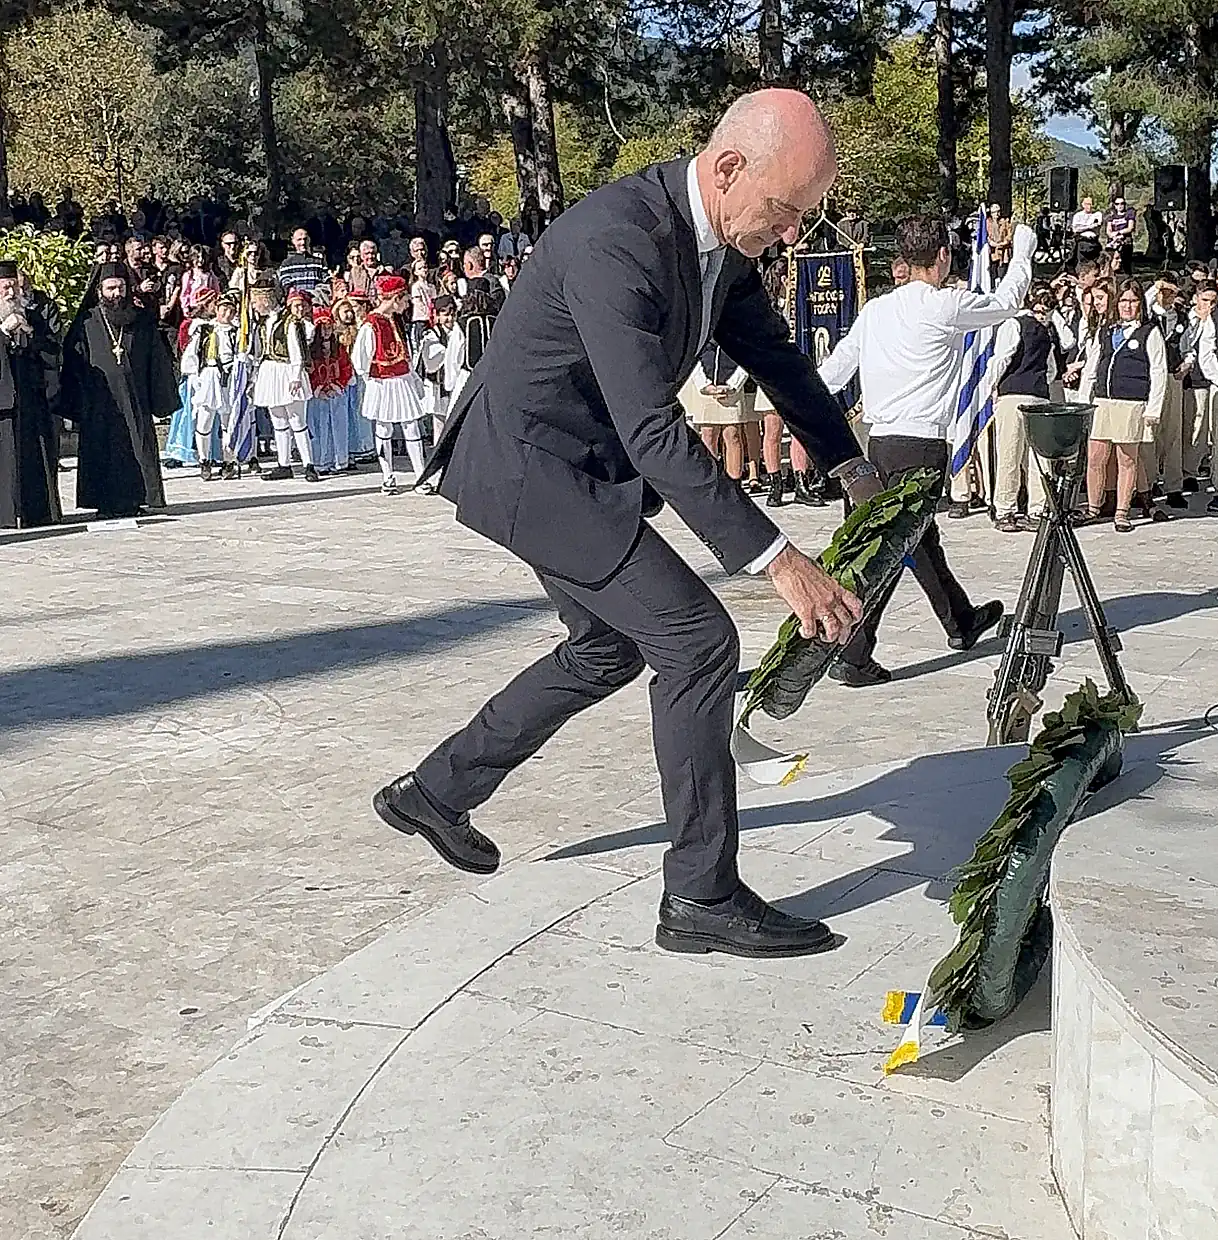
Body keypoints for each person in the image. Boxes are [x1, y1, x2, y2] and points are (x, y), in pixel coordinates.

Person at [375, 90, 883, 961]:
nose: (793, 234)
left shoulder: (720, 242)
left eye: (806, 216)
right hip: (531, 469)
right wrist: (776, 559)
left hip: (577, 468)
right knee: (696, 641)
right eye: (787, 211)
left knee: (607, 647)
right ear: (728, 170)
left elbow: (779, 362)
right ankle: (701, 895)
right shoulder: (621, 240)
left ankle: (437, 790)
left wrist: (850, 466)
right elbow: (654, 430)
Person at [817, 212, 1019, 686]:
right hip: (921, 444)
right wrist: (1023, 247)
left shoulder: (875, 311)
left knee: (915, 541)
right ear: (944, 256)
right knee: (891, 549)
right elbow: (1007, 303)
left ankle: (960, 619)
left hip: (878, 442)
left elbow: (831, 377)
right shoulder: (943, 306)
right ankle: (855, 651)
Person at [63, 264, 177, 518]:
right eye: (111, 288)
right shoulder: (87, 321)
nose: (116, 293)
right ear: (99, 290)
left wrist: (160, 398)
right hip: (99, 402)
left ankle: (137, 499)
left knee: (137, 447)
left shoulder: (142, 319)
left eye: (121, 288)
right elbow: (74, 362)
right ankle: (104, 503)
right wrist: (76, 401)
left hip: (135, 399)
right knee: (103, 449)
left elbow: (156, 360)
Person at [1078, 278, 1168, 532]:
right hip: (1102, 402)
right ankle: (1094, 507)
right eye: (1124, 300)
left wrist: (1153, 409)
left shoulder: (1149, 332)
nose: (1127, 306)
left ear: (1140, 304)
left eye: (1133, 301)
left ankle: (1122, 511)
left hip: (1131, 403)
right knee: (1096, 457)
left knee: (1127, 459)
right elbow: (1092, 368)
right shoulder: (1105, 330)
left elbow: (1159, 371)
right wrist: (1082, 402)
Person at [988, 285, 1062, 532]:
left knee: (1009, 453)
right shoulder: (1046, 333)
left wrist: (992, 386)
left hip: (1013, 395)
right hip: (1039, 396)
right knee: (1037, 457)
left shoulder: (1013, 324)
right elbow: (1051, 370)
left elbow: (1002, 358)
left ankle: (1005, 510)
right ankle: (1038, 510)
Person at [351, 274, 427, 494]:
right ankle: (387, 476)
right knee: (384, 427)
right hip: (383, 382)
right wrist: (371, 379)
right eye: (404, 300)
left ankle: (420, 475)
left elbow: (405, 351)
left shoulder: (395, 320)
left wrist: (413, 377)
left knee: (411, 426)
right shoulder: (371, 325)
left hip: (402, 379)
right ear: (395, 299)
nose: (407, 305)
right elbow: (360, 359)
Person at [0, 261, 61, 529]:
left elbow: (51, 351)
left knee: (34, 457)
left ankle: (37, 511)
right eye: (4, 288)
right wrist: (3, 332)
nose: (11, 293)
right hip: (2, 401)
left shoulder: (32, 316)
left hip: (31, 399)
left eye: (14, 286)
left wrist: (30, 332)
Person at [250, 277, 317, 482]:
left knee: (297, 420)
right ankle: (283, 463)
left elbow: (295, 350)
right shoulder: (262, 323)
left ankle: (308, 464)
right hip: (270, 371)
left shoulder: (289, 321)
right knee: (278, 420)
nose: (254, 305)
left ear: (266, 299)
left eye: (256, 300)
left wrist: (296, 376)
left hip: (287, 370)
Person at [180, 289, 239, 480]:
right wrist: (195, 378)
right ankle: (204, 460)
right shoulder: (205, 329)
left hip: (228, 379)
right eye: (223, 309)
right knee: (204, 420)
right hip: (208, 376)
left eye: (231, 311)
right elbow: (192, 355)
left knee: (228, 423)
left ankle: (228, 461)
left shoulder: (237, 332)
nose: (227, 314)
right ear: (217, 309)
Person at [306, 306, 355, 475]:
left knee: (339, 426)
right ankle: (320, 462)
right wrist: (318, 388)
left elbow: (346, 368)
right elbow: (309, 371)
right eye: (322, 328)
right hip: (318, 395)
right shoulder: (311, 350)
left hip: (336, 393)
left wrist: (338, 385)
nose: (326, 331)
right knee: (320, 427)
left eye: (329, 327)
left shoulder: (339, 348)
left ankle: (338, 461)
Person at [418, 293, 456, 439]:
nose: (450, 319)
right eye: (445, 314)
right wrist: (448, 350)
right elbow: (430, 363)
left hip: (453, 383)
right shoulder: (431, 335)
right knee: (439, 421)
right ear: (437, 316)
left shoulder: (457, 331)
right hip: (438, 385)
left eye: (452, 314)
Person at [278, 226, 330, 297]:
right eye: (299, 239)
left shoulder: (318, 262)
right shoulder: (287, 264)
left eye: (305, 239)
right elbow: (286, 284)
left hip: (315, 301)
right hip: (297, 301)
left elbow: (325, 280)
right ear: (293, 241)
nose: (303, 242)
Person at [1105, 196, 1137, 272]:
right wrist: (1112, 235)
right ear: (1115, 205)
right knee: (1111, 263)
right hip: (1113, 242)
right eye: (1117, 204)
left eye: (1122, 203)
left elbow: (1130, 228)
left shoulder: (1129, 214)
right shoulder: (1111, 216)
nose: (1120, 205)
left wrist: (1119, 232)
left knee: (1125, 264)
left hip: (1125, 242)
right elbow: (1108, 230)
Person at [1071, 196, 1104, 265]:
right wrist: (1089, 226)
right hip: (1082, 241)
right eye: (1087, 204)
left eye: (1090, 204)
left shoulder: (1097, 214)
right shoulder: (1078, 215)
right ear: (1082, 205)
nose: (1089, 206)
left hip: (1094, 242)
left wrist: (1083, 226)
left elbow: (1098, 225)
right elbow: (1075, 229)